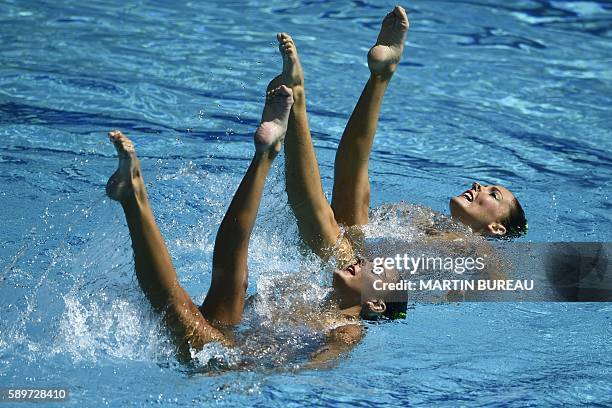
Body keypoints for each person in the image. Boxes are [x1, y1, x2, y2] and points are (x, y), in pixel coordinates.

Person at [105, 85, 405, 364]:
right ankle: (265, 154)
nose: (364, 261)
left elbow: (318, 366)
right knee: (230, 275)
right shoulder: (306, 292)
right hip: (229, 333)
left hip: (232, 361)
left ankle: (135, 199)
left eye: (376, 270)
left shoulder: (348, 330)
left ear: (376, 304)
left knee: (178, 307)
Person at [269, 5, 526, 280]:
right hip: (358, 258)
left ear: (496, 229)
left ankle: (297, 102)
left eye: (492, 193)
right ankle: (381, 74)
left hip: (366, 283)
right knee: (351, 184)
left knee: (325, 224)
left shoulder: (477, 249)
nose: (478, 186)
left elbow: (502, 282)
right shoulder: (431, 222)